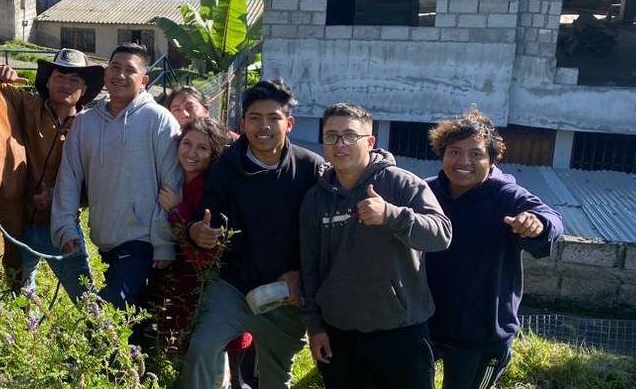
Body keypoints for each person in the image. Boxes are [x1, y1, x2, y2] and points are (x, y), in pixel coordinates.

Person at [180, 80, 323, 389]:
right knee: (202, 348)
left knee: (276, 377)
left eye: (274, 118)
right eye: (255, 118)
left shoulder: (311, 168)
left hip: (287, 292)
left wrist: (299, 273)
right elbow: (207, 220)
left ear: (289, 123)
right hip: (233, 286)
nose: (264, 126)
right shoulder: (224, 167)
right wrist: (198, 232)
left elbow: (322, 234)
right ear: (243, 122)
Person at [300, 103, 452, 389]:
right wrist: (315, 326)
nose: (340, 144)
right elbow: (309, 267)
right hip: (339, 334)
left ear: (370, 142)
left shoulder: (402, 184)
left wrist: (391, 215)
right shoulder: (315, 199)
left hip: (401, 331)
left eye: (350, 136)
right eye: (331, 136)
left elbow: (441, 235)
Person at [425, 107, 563, 389]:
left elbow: (552, 220)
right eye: (454, 151)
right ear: (442, 154)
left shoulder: (507, 196)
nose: (464, 161)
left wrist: (537, 224)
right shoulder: (426, 192)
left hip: (482, 334)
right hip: (426, 324)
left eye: (476, 154)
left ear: (491, 159)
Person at [51, 43, 181, 308]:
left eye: (129, 70)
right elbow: (69, 176)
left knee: (109, 312)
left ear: (144, 80)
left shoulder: (159, 120)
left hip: (143, 241)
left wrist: (164, 241)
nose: (120, 75)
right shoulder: (85, 123)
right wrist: (64, 227)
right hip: (105, 240)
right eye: (115, 67)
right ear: (105, 72)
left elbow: (172, 183)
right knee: (132, 320)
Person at [0, 48, 103, 301]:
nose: (65, 84)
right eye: (59, 76)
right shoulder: (26, 105)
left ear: (84, 90)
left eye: (74, 80)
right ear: (48, 82)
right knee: (19, 297)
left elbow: (96, 184)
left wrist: (57, 197)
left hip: (61, 228)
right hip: (20, 225)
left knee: (87, 301)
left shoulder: (90, 128)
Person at [150, 117, 252, 386]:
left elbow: (204, 257)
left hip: (202, 294)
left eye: (202, 148)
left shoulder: (212, 191)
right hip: (175, 291)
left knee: (205, 365)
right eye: (187, 143)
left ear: (214, 153)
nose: (191, 153)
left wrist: (177, 211)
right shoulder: (173, 180)